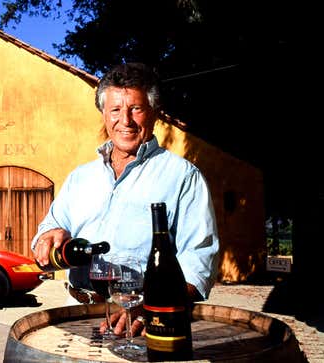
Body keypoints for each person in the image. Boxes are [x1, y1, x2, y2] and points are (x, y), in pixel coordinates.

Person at [32, 62, 220, 337]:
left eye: (136, 109)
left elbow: (198, 265)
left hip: (139, 322)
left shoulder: (182, 176)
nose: (126, 120)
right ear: (104, 114)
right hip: (75, 315)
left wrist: (149, 308)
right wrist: (50, 236)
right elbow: (47, 233)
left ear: (154, 113)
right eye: (116, 110)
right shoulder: (80, 177)